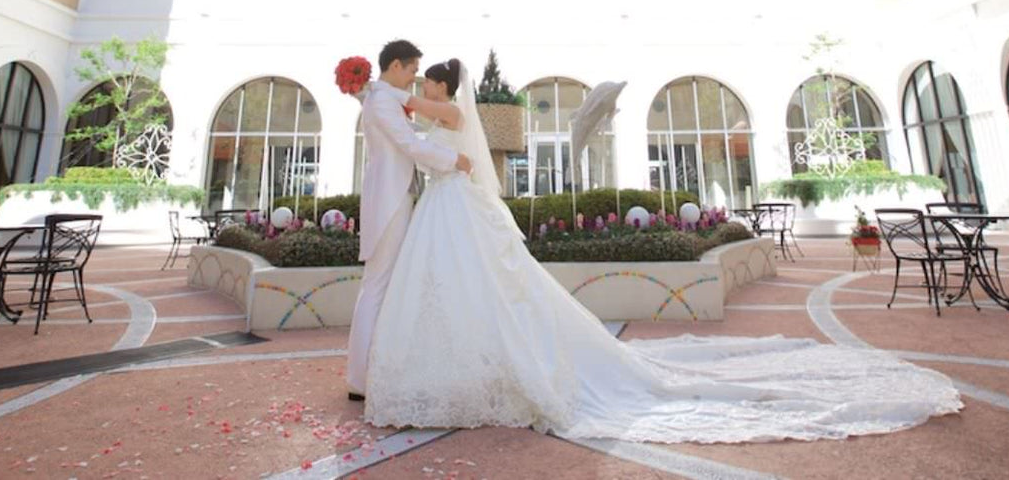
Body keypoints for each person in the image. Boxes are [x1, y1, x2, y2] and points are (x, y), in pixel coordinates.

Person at [364, 58, 962, 443]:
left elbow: (417, 122)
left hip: (453, 201)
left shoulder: (441, 106)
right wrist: (379, 96)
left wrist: (380, 92)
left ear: (443, 84)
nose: (420, 83)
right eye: (415, 76)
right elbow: (412, 130)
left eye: (426, 78)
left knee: (479, 283)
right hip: (444, 204)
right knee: (463, 286)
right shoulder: (428, 106)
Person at [345, 40, 472, 402]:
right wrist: (454, 159)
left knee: (382, 285)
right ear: (396, 66)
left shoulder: (381, 97)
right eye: (414, 70)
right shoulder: (384, 100)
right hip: (390, 200)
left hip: (396, 197)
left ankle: (370, 373)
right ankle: (361, 379)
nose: (416, 78)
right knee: (378, 285)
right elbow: (408, 145)